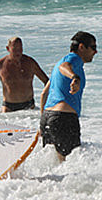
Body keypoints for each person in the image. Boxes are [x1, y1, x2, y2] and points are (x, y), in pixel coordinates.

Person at [39, 31, 98, 161]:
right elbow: (64, 67)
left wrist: (42, 124)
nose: (96, 52)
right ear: (81, 47)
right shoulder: (73, 59)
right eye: (93, 47)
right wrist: (75, 77)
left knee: (56, 165)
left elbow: (44, 94)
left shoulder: (57, 66)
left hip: (48, 117)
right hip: (63, 118)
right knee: (71, 166)